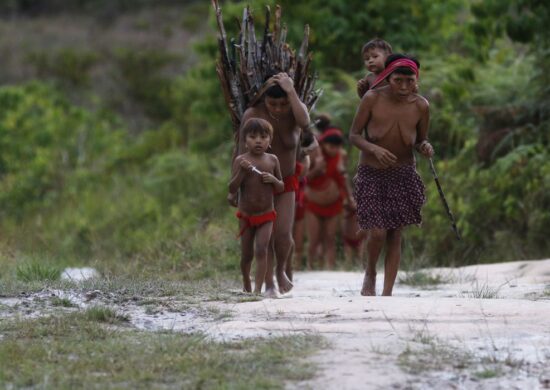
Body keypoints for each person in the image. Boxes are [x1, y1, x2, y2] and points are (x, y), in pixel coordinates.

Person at [349, 54, 434, 296]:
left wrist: (425, 147)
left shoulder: (421, 106)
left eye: (410, 81)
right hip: (372, 172)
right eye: (398, 80)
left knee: (395, 233)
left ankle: (387, 293)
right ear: (388, 77)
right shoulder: (372, 99)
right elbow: (354, 135)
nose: (404, 86)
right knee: (377, 231)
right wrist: (374, 149)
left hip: (404, 173)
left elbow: (421, 139)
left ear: (416, 80)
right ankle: (370, 272)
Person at [237, 72, 310, 295]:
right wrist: (237, 187)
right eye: (273, 104)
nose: (278, 109)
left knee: (282, 234)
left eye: (282, 104)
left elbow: (306, 122)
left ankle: (280, 271)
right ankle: (268, 283)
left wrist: (291, 91)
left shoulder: (295, 114)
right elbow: (240, 152)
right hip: (257, 185)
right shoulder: (253, 114)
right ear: (264, 99)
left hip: (286, 182)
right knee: (264, 238)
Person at [229, 118, 284, 295]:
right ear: (245, 141)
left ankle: (258, 290)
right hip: (246, 216)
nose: (258, 140)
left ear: (270, 141)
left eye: (263, 136)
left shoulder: (273, 160)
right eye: (252, 137)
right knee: (247, 255)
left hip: (267, 215)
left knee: (261, 249)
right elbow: (232, 188)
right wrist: (242, 172)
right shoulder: (240, 160)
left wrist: (274, 180)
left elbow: (281, 186)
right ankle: (246, 281)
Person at [305, 126, 354, 269]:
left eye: (337, 147)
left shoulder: (341, 156)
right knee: (314, 239)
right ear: (324, 144)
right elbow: (303, 179)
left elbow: (343, 180)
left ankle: (330, 268)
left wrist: (350, 199)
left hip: (334, 203)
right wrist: (316, 169)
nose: (334, 150)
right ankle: (309, 266)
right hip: (313, 204)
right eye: (331, 146)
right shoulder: (314, 154)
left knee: (330, 238)